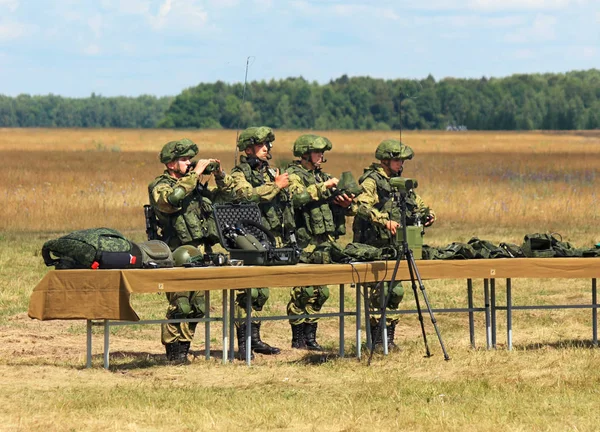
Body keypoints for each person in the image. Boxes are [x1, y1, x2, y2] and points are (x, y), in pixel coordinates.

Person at [148, 138, 233, 363]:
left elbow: (228, 198)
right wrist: (195, 174)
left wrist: (220, 176)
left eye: (189, 159)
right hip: (176, 252)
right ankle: (172, 352)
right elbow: (171, 200)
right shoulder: (161, 185)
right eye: (184, 159)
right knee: (181, 304)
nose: (188, 162)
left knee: (198, 306)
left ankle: (183, 351)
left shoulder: (196, 188)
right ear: (171, 163)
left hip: (200, 252)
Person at [352, 139, 436, 351]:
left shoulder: (400, 182)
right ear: (385, 160)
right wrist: (384, 221)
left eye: (402, 160)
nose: (401, 164)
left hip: (396, 247)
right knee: (382, 293)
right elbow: (361, 206)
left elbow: (419, 204)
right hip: (374, 247)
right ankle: (377, 341)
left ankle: (388, 339)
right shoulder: (371, 181)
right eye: (398, 160)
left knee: (395, 292)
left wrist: (428, 214)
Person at [285, 134, 355, 351]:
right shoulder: (294, 175)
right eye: (317, 152)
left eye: (322, 152)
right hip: (304, 242)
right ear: (305, 154)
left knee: (321, 292)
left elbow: (351, 208)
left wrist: (346, 202)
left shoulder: (323, 177)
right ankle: (297, 338)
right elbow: (296, 198)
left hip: (325, 242)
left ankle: (311, 336)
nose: (321, 156)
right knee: (304, 291)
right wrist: (325, 187)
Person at [229, 126, 292, 360]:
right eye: (262, 145)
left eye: (268, 144)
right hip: (247, 239)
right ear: (248, 149)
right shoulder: (238, 174)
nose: (267, 148)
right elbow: (246, 196)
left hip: (267, 237)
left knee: (261, 292)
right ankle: (243, 343)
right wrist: (276, 186)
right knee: (248, 290)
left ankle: (254, 340)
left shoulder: (269, 172)